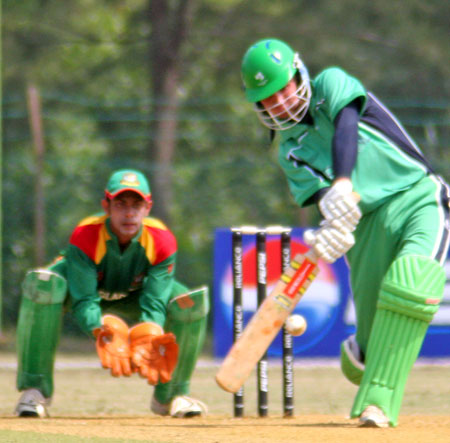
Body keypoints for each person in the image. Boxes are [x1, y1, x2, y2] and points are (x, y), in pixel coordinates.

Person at [240, 38, 450, 427]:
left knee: (413, 281)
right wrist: (333, 226)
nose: (280, 102)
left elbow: (346, 128)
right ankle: (362, 354)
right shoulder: (289, 151)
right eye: (267, 98)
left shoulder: (332, 83)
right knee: (369, 352)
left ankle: (378, 404)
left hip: (418, 196)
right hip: (367, 225)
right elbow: (323, 196)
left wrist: (340, 182)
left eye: (283, 88)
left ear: (299, 74)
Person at [15, 168, 209, 418]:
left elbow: (155, 300)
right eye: (120, 204)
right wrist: (100, 329)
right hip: (79, 290)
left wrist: (150, 332)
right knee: (43, 285)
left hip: (134, 294)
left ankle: (172, 396)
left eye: (137, 205)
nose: (129, 213)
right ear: (106, 206)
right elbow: (85, 299)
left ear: (148, 208)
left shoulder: (161, 239)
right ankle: (34, 392)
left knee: (189, 304)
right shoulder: (86, 234)